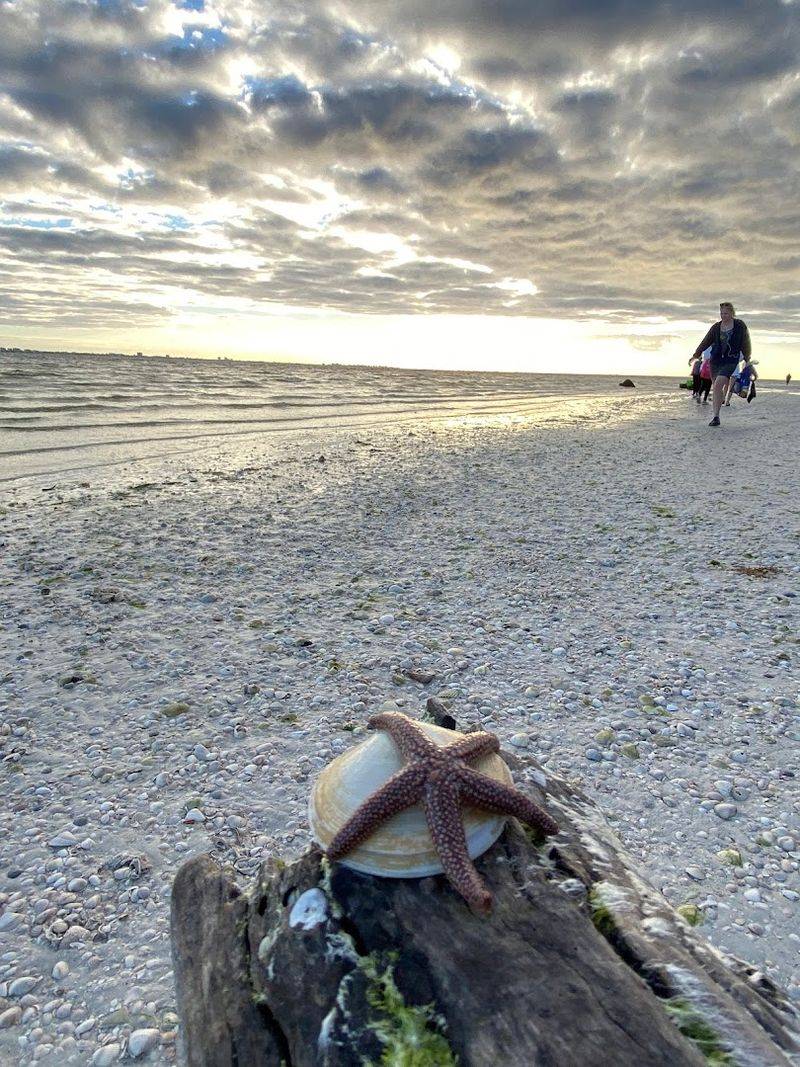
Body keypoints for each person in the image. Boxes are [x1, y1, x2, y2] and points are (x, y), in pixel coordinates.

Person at [691, 301, 752, 427]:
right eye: (721, 313)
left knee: (718, 384)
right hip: (716, 360)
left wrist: (747, 357)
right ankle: (716, 416)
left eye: (726, 313)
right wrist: (695, 355)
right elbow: (706, 341)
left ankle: (715, 416)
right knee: (716, 387)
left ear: (732, 313)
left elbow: (746, 341)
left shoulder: (740, 325)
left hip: (730, 360)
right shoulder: (716, 327)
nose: (723, 316)